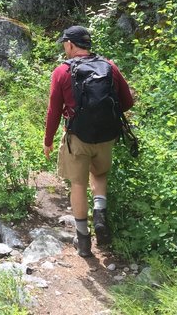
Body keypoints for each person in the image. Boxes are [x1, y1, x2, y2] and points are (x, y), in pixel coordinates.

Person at [43, 25, 134, 257]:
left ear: (71, 45)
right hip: (105, 135)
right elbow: (127, 101)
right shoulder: (109, 66)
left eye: (65, 43)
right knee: (100, 175)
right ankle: (100, 213)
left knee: (78, 185)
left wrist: (48, 140)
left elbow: (54, 111)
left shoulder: (62, 71)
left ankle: (83, 241)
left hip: (77, 137)